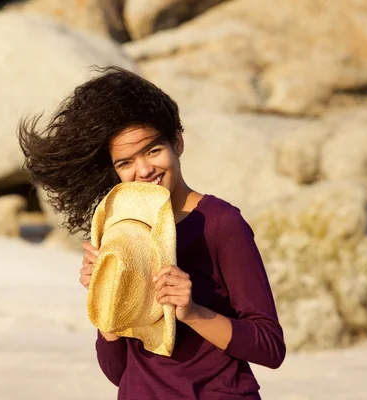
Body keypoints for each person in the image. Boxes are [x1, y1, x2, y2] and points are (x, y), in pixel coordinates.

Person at [18, 66, 285, 399]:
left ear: (177, 143)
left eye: (153, 151)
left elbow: (270, 347)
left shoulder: (220, 223)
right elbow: (119, 372)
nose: (143, 170)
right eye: (125, 162)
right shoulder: (118, 229)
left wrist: (193, 312)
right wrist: (106, 297)